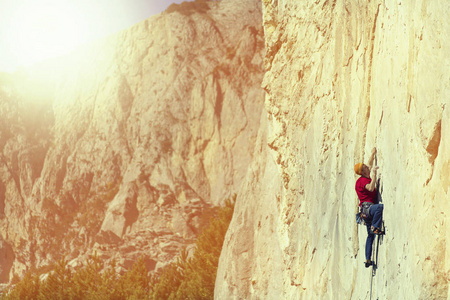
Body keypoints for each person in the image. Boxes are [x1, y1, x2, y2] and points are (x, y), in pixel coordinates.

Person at [354, 147, 383, 268]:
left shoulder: (364, 176)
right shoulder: (361, 181)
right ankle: (375, 227)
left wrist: (372, 154)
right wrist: (375, 175)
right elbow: (371, 188)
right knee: (379, 208)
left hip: (364, 212)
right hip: (368, 208)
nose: (367, 166)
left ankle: (367, 259)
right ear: (363, 171)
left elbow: (369, 165)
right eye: (365, 167)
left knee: (370, 236)